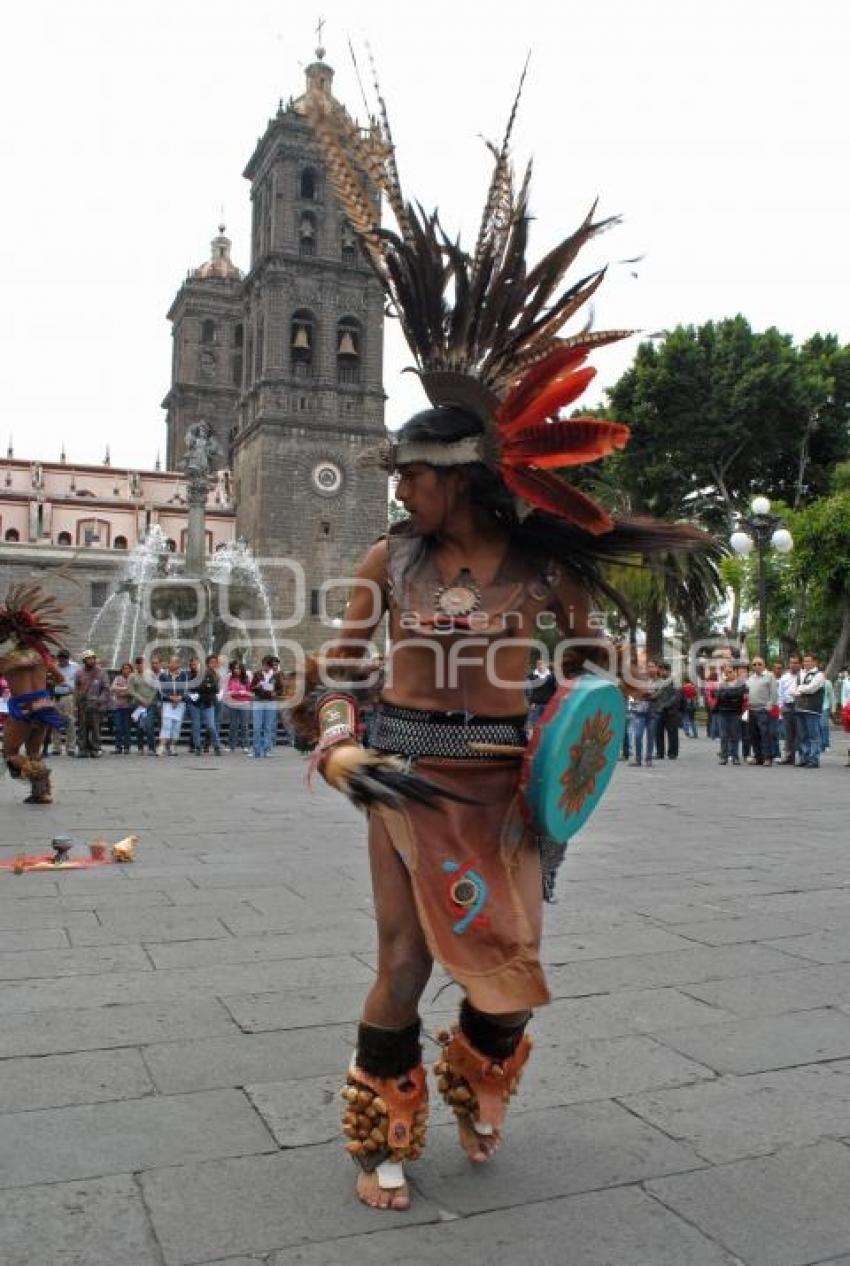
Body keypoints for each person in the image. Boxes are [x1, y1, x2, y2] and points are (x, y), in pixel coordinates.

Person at [297, 85, 710, 1213]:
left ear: (471, 475)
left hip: (509, 793)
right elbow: (332, 672)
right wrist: (338, 750)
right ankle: (378, 1134)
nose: (401, 489)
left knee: (509, 980)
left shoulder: (543, 569)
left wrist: (579, 726)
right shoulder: (387, 561)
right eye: (396, 476)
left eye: (416, 475)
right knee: (404, 962)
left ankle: (480, 1072)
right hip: (403, 776)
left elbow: (588, 676)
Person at [0, 584, 68, 803]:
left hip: (22, 707)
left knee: (10, 752)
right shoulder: (42, 657)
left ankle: (38, 774)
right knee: (34, 751)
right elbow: (60, 679)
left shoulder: (7, 659)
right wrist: (43, 679)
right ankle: (42, 793)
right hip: (44, 705)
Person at [74, 650, 110, 758]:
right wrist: (76, 704)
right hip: (83, 704)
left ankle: (95, 748)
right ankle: (82, 748)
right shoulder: (79, 672)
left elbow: (106, 689)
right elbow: (76, 688)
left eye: (93, 658)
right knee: (82, 728)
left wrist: (100, 700)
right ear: (84, 660)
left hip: (96, 704)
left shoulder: (101, 672)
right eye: (89, 658)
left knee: (95, 728)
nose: (91, 660)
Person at [793, 652, 826, 768]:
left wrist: (800, 689)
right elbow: (793, 690)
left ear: (815, 662)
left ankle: (813, 759)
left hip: (812, 709)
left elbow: (812, 689)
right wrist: (800, 689)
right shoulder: (800, 674)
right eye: (805, 661)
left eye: (809, 661)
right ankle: (804, 757)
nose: (806, 663)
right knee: (802, 735)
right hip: (800, 708)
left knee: (813, 736)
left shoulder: (819, 675)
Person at [744, 656, 778, 766]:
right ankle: (758, 757)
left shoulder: (770, 676)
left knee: (765, 734)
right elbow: (746, 691)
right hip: (752, 709)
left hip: (763, 710)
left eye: (759, 664)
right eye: (754, 664)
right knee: (753, 735)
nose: (757, 666)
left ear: (764, 665)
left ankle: (767, 757)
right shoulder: (750, 677)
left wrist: (768, 707)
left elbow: (774, 694)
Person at [251, 655, 283, 757]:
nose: (265, 667)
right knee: (257, 727)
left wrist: (276, 693)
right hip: (258, 701)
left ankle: (267, 749)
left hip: (270, 702)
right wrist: (257, 686)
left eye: (267, 665)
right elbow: (251, 687)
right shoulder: (257, 674)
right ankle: (256, 749)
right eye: (264, 665)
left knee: (268, 727)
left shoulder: (276, 675)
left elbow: (281, 689)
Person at [157, 655, 190, 756]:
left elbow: (186, 689)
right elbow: (160, 690)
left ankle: (172, 747)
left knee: (176, 726)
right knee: (166, 725)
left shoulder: (183, 675)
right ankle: (162, 747)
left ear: (179, 664)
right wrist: (171, 698)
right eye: (171, 662)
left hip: (180, 704)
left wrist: (180, 698)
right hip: (167, 703)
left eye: (175, 662)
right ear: (168, 663)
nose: (173, 664)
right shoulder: (163, 675)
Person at [50, 648, 80, 755]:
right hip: (55, 696)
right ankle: (56, 747)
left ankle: (71, 747)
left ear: (68, 658)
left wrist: (66, 683)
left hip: (68, 696)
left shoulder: (75, 667)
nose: (62, 660)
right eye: (60, 658)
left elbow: (78, 682)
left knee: (70, 721)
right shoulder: (53, 666)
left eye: (64, 658)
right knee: (55, 722)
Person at [127, 655, 159, 754]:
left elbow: (155, 688)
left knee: (149, 726)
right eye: (139, 664)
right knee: (139, 727)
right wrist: (141, 700)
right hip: (138, 705)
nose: (141, 666)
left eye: (143, 664)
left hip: (150, 705)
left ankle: (151, 748)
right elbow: (131, 691)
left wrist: (149, 700)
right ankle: (140, 747)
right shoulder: (132, 676)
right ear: (136, 665)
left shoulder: (151, 674)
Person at [715, 663, 746, 765]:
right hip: (723, 713)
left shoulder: (740, 684)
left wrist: (727, 695)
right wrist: (730, 696)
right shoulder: (722, 684)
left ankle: (735, 757)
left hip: (735, 713)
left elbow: (738, 696)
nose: (728, 674)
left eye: (730, 672)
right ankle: (724, 757)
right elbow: (719, 697)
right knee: (723, 736)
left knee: (734, 736)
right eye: (726, 672)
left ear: (735, 672)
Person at [193, 654, 223, 755]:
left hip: (208, 702)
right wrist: (208, 687)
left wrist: (209, 687)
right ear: (207, 664)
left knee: (211, 725)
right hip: (197, 702)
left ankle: (216, 746)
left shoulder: (216, 675)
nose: (214, 664)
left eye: (215, 662)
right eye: (212, 662)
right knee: (197, 726)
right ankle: (198, 747)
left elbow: (216, 688)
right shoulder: (203, 673)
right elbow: (197, 687)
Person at [778, 654, 802, 765]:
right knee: (788, 733)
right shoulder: (784, 677)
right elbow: (780, 693)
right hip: (787, 706)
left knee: (800, 732)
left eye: (796, 663)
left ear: (800, 664)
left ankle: (802, 757)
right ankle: (789, 757)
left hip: (800, 705)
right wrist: (781, 706)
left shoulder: (803, 676)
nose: (793, 665)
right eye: (792, 662)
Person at [225, 661, 253, 752]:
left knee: (244, 725)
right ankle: (231, 745)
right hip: (233, 704)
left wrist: (244, 692)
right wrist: (237, 692)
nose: (237, 670)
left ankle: (246, 745)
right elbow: (228, 691)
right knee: (233, 725)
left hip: (244, 704)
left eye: (238, 668)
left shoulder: (246, 678)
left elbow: (251, 693)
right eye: (235, 668)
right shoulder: (230, 678)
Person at [654, 662, 680, 760]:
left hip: (671, 712)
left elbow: (676, 696)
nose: (660, 672)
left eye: (661, 670)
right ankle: (659, 753)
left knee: (672, 733)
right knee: (658, 732)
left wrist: (665, 705)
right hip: (659, 711)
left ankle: (672, 753)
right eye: (659, 670)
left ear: (668, 671)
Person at [109, 661, 134, 753]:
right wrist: (125, 689)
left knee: (127, 727)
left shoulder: (133, 678)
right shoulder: (117, 678)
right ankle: (118, 747)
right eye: (124, 668)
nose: (126, 670)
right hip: (117, 706)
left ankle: (127, 747)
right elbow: (112, 688)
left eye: (128, 668)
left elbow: (132, 691)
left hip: (128, 707)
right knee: (118, 727)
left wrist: (120, 691)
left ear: (131, 670)